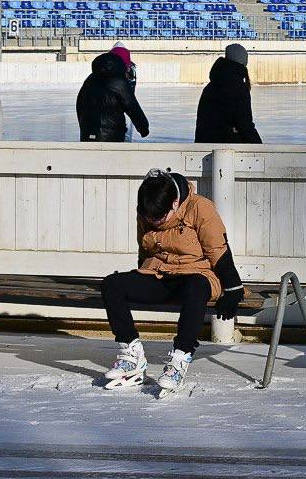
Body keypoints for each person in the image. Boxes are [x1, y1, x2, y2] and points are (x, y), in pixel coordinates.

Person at [100, 169, 246, 392]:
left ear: (175, 203)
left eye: (159, 218)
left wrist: (233, 289)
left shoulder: (200, 207)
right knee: (112, 285)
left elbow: (219, 250)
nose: (153, 222)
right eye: (149, 218)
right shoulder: (148, 207)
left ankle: (179, 359)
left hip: (198, 275)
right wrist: (139, 278)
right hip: (158, 274)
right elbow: (144, 249)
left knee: (195, 289)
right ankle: (131, 355)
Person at [195, 43, 262, 143]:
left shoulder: (210, 87)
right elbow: (244, 124)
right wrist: (258, 146)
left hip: (205, 144)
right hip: (229, 147)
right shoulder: (239, 88)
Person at [76, 51, 150, 142]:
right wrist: (143, 128)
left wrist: (84, 126)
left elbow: (79, 104)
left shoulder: (90, 80)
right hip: (111, 136)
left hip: (87, 134)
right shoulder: (119, 82)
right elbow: (132, 106)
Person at [111, 41, 138, 142]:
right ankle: (127, 141)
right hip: (128, 100)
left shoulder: (109, 68)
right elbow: (132, 84)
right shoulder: (131, 68)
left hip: (112, 103)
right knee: (128, 123)